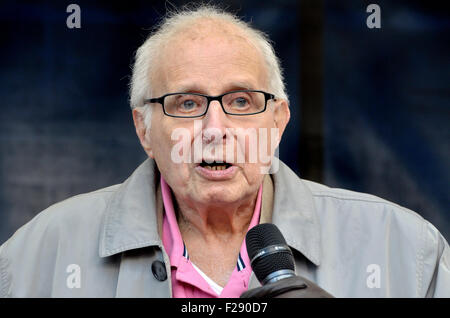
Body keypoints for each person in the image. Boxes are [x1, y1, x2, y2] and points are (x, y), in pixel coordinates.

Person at [0, 4, 448, 298]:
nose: (215, 130)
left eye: (240, 101)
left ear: (278, 121)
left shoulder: (407, 251)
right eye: (187, 103)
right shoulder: (36, 256)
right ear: (144, 128)